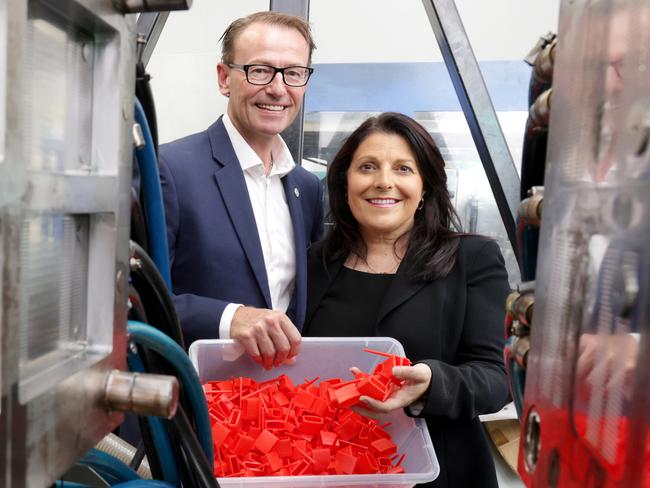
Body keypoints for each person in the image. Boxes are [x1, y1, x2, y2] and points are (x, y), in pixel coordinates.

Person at [304, 113, 511, 487]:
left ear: (425, 187)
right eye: (367, 167)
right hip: (331, 470)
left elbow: (498, 378)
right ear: (345, 182)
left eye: (403, 169)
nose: (384, 182)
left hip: (441, 474)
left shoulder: (473, 259)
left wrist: (433, 384)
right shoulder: (315, 263)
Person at [159, 11, 323, 369]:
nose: (278, 89)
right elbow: (129, 298)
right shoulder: (169, 168)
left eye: (293, 73)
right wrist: (230, 318)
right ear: (224, 78)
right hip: (194, 402)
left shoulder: (306, 189)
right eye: (260, 70)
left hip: (276, 401)